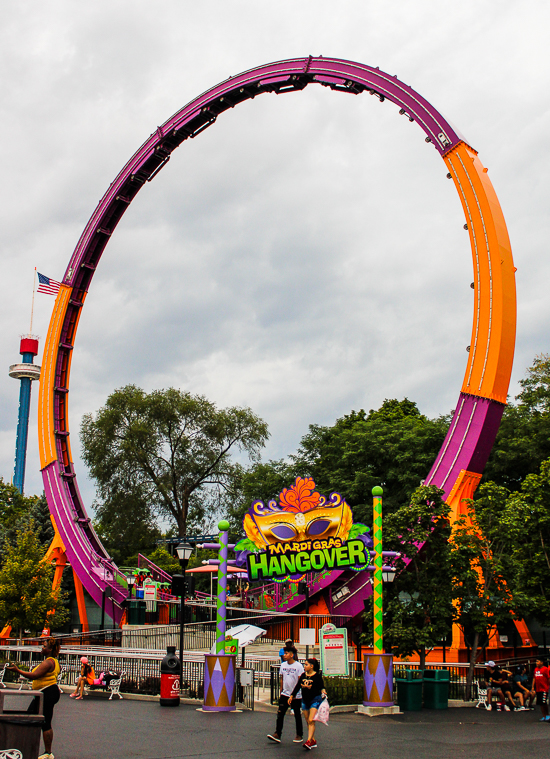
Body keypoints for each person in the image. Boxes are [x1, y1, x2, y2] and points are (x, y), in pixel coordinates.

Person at [7, 636, 61, 759]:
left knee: (39, 720)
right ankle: (44, 751)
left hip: (47, 693)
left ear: (50, 649)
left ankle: (42, 752)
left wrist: (18, 670)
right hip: (47, 692)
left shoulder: (48, 662)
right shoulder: (54, 661)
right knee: (41, 720)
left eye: (44, 646)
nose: (41, 648)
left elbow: (34, 676)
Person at [268, 647, 304, 744]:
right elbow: (282, 678)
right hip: (285, 693)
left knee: (297, 714)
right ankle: (277, 733)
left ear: (292, 655)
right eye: (284, 653)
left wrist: (295, 693)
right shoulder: (283, 665)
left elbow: (300, 680)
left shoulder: (298, 666)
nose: (284, 655)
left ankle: (299, 734)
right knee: (280, 713)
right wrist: (281, 691)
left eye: (287, 653)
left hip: (296, 695)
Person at [289, 658, 327, 750]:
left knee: (311, 720)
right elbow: (298, 686)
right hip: (305, 700)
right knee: (308, 721)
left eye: (306, 665)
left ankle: (309, 741)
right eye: (304, 664)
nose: (304, 666)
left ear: (311, 666)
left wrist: (323, 691)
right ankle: (313, 740)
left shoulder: (317, 676)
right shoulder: (303, 675)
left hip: (315, 700)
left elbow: (321, 687)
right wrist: (292, 696)